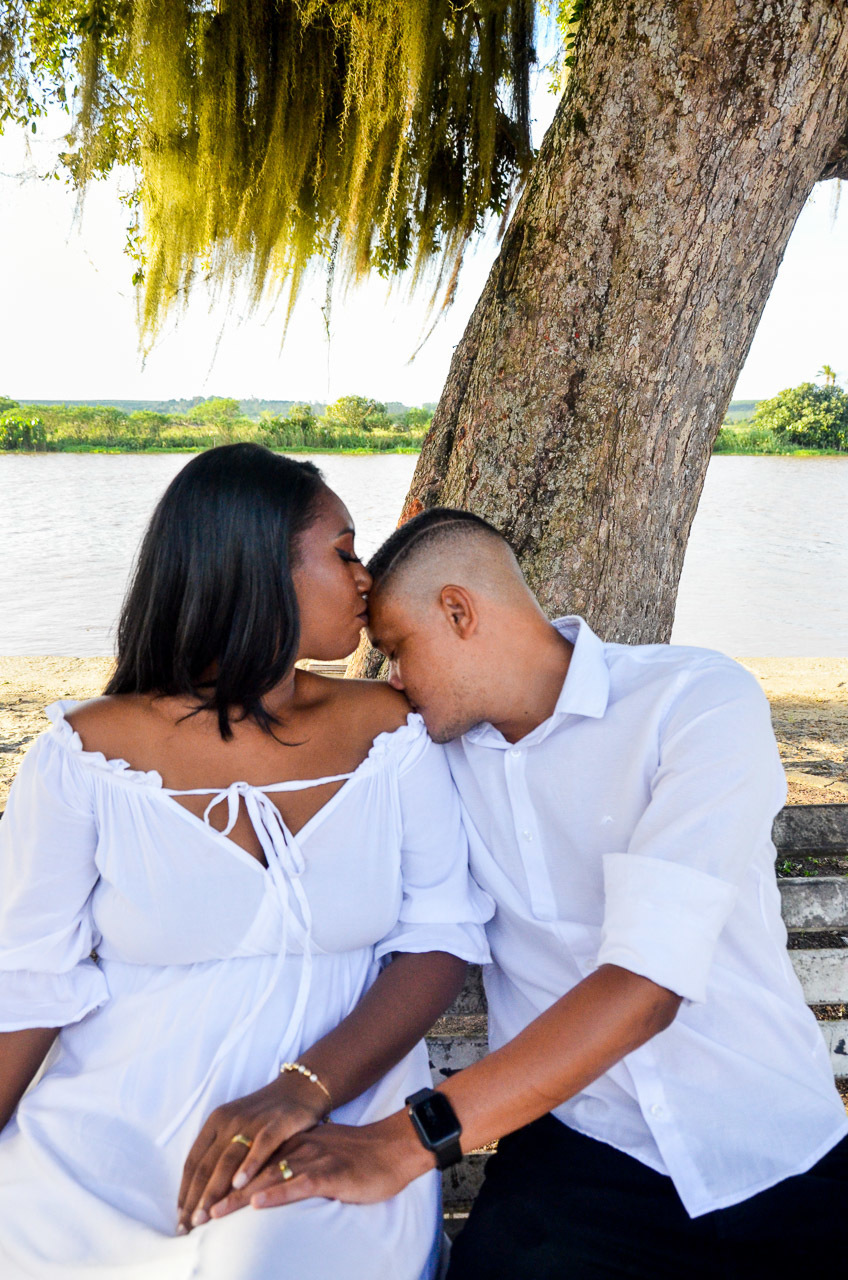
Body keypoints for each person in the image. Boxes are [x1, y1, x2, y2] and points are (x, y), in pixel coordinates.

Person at [213, 507, 848, 1278]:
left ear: (458, 610)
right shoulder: (427, 757)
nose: (396, 683)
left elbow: (648, 983)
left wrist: (401, 1145)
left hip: (770, 1141)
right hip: (579, 1155)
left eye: (396, 652)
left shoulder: (694, 702)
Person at [0, 454, 493, 1280]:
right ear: (258, 563)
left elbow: (440, 939)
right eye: (342, 551)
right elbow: (25, 976)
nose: (365, 578)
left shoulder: (392, 733)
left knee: (262, 1260)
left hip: (330, 1125)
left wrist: (305, 1088)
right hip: (108, 1139)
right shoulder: (85, 755)